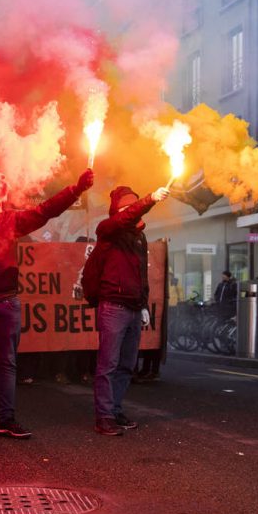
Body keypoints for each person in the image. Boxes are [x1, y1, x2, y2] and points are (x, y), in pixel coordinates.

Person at [0, 169, 95, 443]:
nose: (1, 194)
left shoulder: (9, 220)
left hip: (6, 300)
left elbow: (45, 211)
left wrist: (75, 190)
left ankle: (6, 420)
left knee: (7, 363)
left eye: (2, 190)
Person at [84, 185, 169, 435]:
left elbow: (141, 274)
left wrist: (143, 305)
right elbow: (125, 218)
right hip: (113, 306)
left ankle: (115, 410)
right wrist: (150, 199)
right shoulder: (108, 230)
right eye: (128, 208)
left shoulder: (139, 237)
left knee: (126, 365)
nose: (132, 212)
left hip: (132, 307)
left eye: (134, 206)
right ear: (118, 211)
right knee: (108, 365)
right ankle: (104, 417)